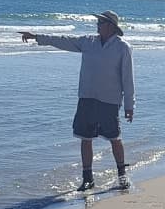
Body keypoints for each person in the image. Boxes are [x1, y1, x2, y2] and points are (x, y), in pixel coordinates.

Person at [20, 10, 135, 191]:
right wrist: (37, 37)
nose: (98, 26)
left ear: (112, 27)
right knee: (85, 137)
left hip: (109, 100)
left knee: (114, 138)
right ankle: (87, 179)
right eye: (98, 22)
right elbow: (64, 40)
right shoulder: (88, 41)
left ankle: (122, 176)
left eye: (101, 23)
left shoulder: (122, 47)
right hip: (87, 98)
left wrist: (130, 105)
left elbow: (128, 79)